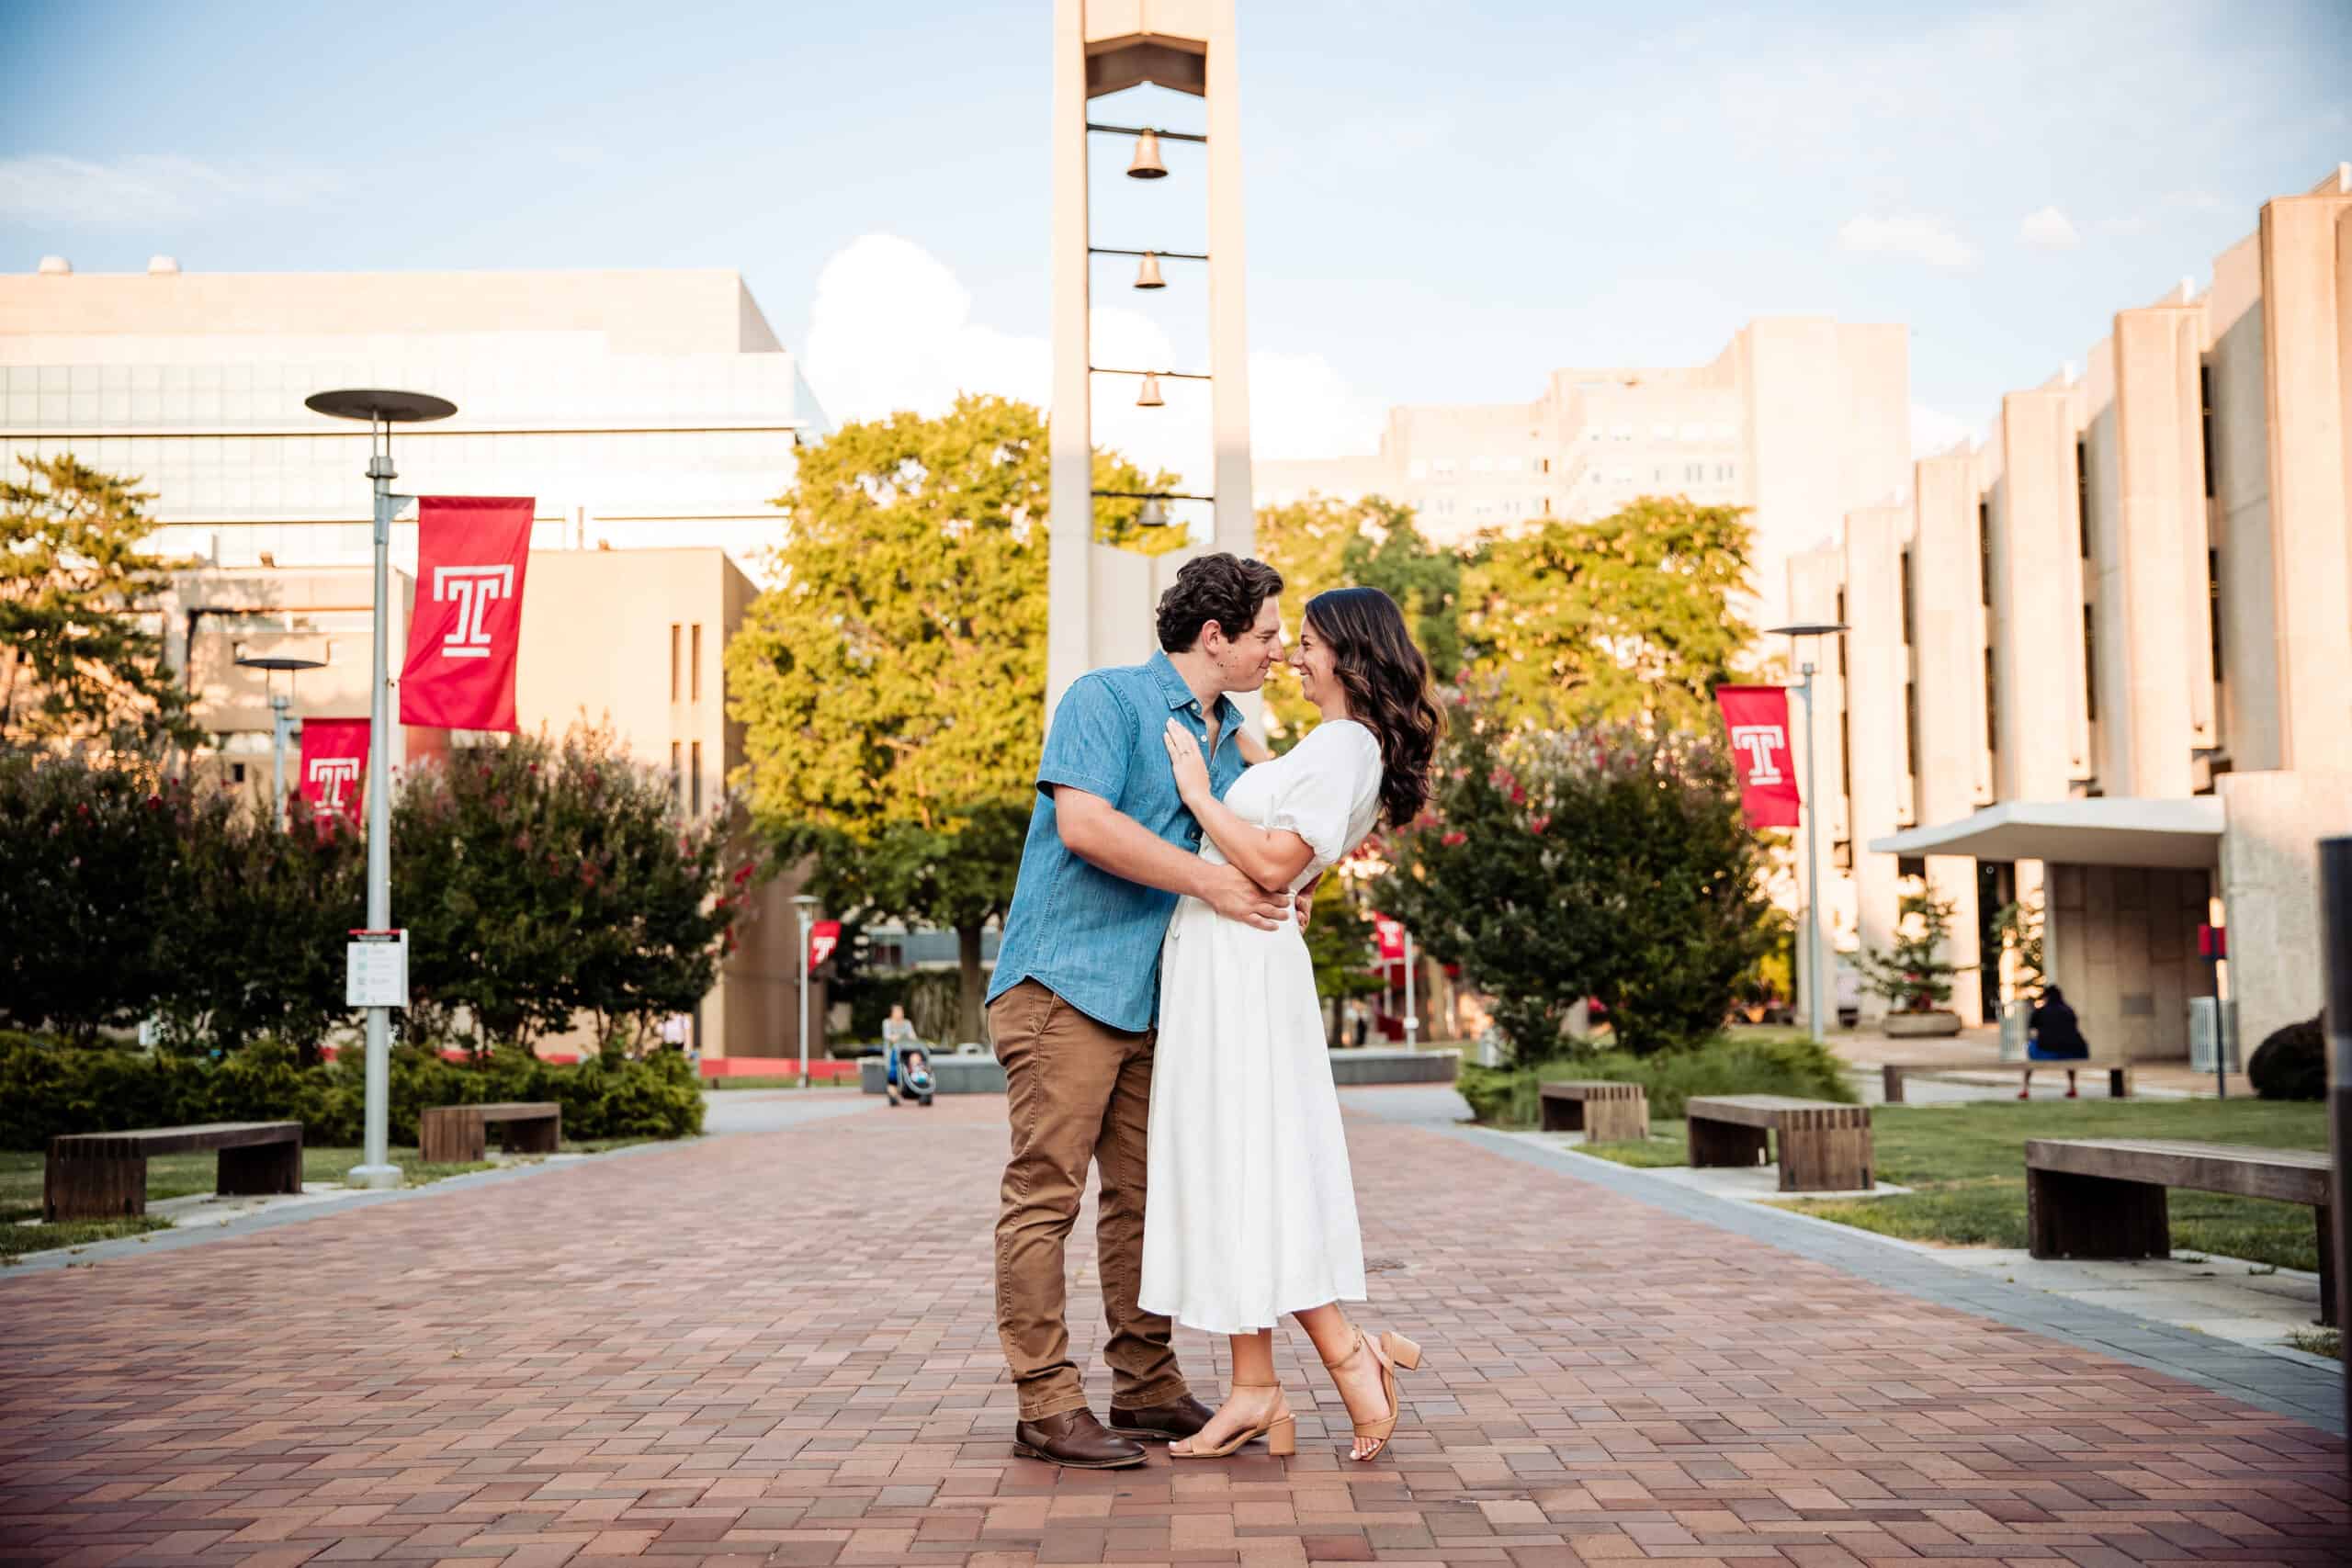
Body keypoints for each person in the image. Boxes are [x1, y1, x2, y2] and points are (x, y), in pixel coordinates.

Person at [985, 552, 1303, 1471]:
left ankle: (1147, 1385)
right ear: (1217, 636)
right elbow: (1083, 827)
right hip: (1064, 986)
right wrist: (1213, 880)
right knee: (1046, 1195)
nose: (1279, 651)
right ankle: (1045, 1404)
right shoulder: (1106, 699)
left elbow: (1267, 830)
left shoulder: (1232, 730)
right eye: (1269, 635)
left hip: (1155, 999)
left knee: (1145, 1199)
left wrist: (1284, 876)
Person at [1144, 586, 1442, 1463]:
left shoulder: (1348, 744)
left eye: (1303, 644)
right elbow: (1292, 827)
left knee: (1251, 1163)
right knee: (1241, 1168)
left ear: (1348, 655)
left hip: (1241, 964)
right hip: (1226, 959)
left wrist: (1199, 795)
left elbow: (1274, 858)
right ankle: (1260, 1385)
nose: (1289, 657)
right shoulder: (1336, 746)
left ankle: (1340, 1367)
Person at [2021, 984, 2089, 1098]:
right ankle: (2072, 1087)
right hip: (2071, 1053)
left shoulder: (2041, 1011)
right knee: (2068, 1048)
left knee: (2031, 1049)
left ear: (2046, 997)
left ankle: (2025, 1089)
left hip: (2046, 1053)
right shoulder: (2069, 1010)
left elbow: (2033, 1031)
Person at [881, 1004, 920, 1107]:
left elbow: (913, 1037)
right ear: (892, 1013)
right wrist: (902, 1037)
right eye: (897, 1012)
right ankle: (893, 1094)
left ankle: (917, 1084)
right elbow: (889, 1037)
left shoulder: (907, 1023)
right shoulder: (887, 1023)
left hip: (906, 1051)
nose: (899, 1014)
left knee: (915, 1060)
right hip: (892, 1053)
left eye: (901, 1011)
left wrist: (908, 1037)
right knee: (893, 1073)